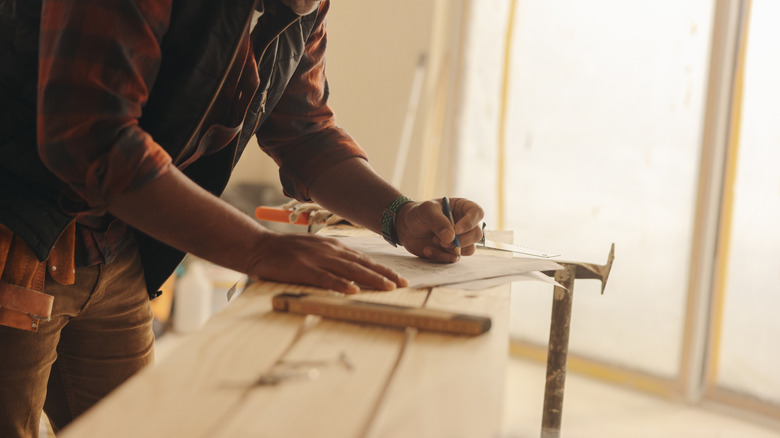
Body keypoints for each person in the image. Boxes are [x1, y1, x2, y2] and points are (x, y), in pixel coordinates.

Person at [0, 0, 484, 436]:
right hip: (15, 234)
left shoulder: (301, 9)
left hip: (113, 240)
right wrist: (257, 248)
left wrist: (400, 214)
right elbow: (91, 136)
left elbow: (304, 131)